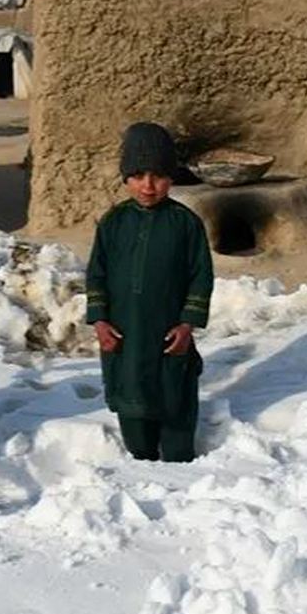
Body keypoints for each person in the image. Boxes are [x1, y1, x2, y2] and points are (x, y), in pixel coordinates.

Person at [86, 122, 214, 462]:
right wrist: (99, 322)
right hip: (124, 336)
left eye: (158, 175)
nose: (148, 185)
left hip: (169, 336)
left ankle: (178, 462)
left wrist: (188, 325)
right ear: (125, 177)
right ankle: (140, 458)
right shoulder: (113, 223)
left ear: (171, 177)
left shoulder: (186, 224)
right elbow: (96, 275)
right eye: (138, 175)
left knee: (175, 403)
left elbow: (201, 277)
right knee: (134, 418)